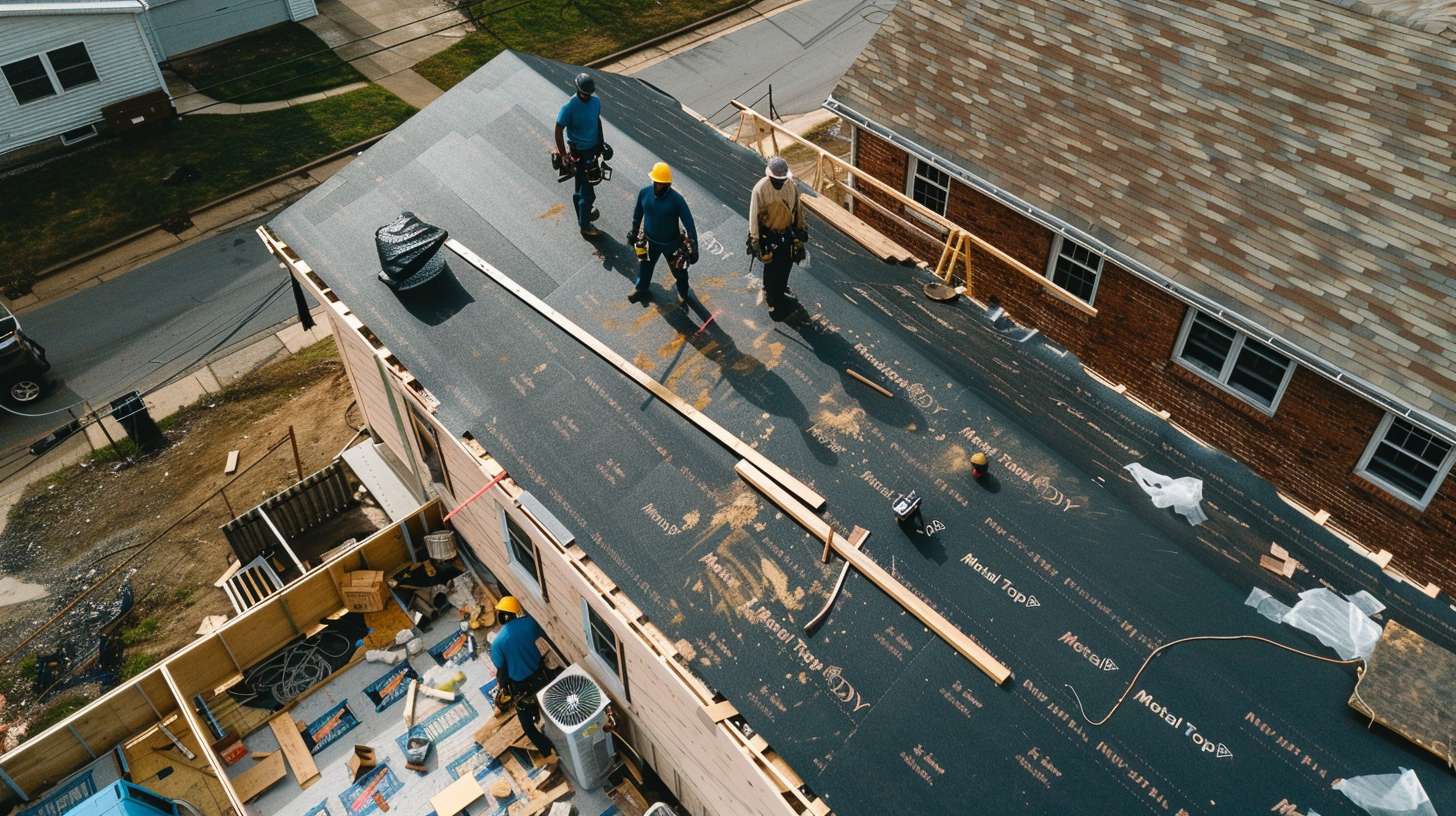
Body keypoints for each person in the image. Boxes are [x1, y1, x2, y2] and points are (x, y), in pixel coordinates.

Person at [489, 596, 555, 759]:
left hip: (521, 688)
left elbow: (501, 668)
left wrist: (502, 687)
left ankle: (547, 750)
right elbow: (541, 636)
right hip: (541, 676)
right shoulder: (530, 623)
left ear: (502, 616)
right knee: (551, 707)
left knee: (528, 726)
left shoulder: (497, 643)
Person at [627, 162, 699, 305]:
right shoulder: (644, 193)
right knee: (645, 267)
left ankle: (683, 292)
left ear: (667, 184)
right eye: (656, 182)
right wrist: (634, 232)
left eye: (661, 183)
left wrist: (694, 247)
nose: (658, 185)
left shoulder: (677, 200)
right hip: (649, 241)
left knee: (679, 271)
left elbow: (689, 224)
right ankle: (641, 288)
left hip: (672, 244)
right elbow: (637, 214)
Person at [747, 156, 807, 317]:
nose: (780, 182)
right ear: (770, 176)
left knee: (787, 263)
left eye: (782, 179)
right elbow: (754, 216)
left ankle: (781, 288)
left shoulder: (791, 186)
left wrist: (801, 230)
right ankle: (772, 297)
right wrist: (755, 239)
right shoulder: (760, 189)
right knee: (772, 268)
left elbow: (797, 209)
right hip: (769, 235)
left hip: (787, 233)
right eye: (776, 179)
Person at [555, 72, 605, 239]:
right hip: (579, 153)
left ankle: (582, 216)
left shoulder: (596, 102)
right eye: (583, 93)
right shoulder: (569, 107)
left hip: (592, 151)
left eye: (588, 94)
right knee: (588, 193)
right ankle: (585, 226)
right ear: (577, 90)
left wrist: (601, 144)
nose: (585, 96)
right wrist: (563, 155)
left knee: (580, 189)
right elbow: (558, 129)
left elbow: (596, 122)